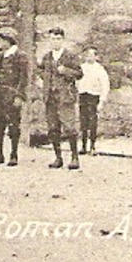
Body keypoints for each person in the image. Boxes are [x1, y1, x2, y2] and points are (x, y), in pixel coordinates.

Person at [37, 27, 82, 170]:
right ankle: (58, 157)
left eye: (58, 39)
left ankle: (74, 158)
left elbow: (79, 73)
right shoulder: (47, 57)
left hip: (65, 97)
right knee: (52, 128)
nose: (55, 42)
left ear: (62, 40)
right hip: (50, 97)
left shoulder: (70, 56)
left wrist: (66, 71)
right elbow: (40, 70)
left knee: (69, 127)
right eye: (52, 39)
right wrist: (44, 80)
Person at [0, 27, 28, 166]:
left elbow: (24, 78)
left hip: (11, 95)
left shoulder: (20, 56)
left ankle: (13, 154)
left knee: (14, 125)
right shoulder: (2, 56)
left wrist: (19, 96)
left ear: (9, 41)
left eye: (1, 40)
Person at [76, 46, 110, 155]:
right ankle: (83, 145)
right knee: (83, 122)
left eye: (91, 55)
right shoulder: (81, 68)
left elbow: (105, 85)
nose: (89, 57)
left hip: (94, 96)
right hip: (83, 95)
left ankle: (93, 146)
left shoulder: (99, 69)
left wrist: (102, 101)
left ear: (96, 57)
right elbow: (77, 82)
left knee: (92, 122)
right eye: (87, 55)